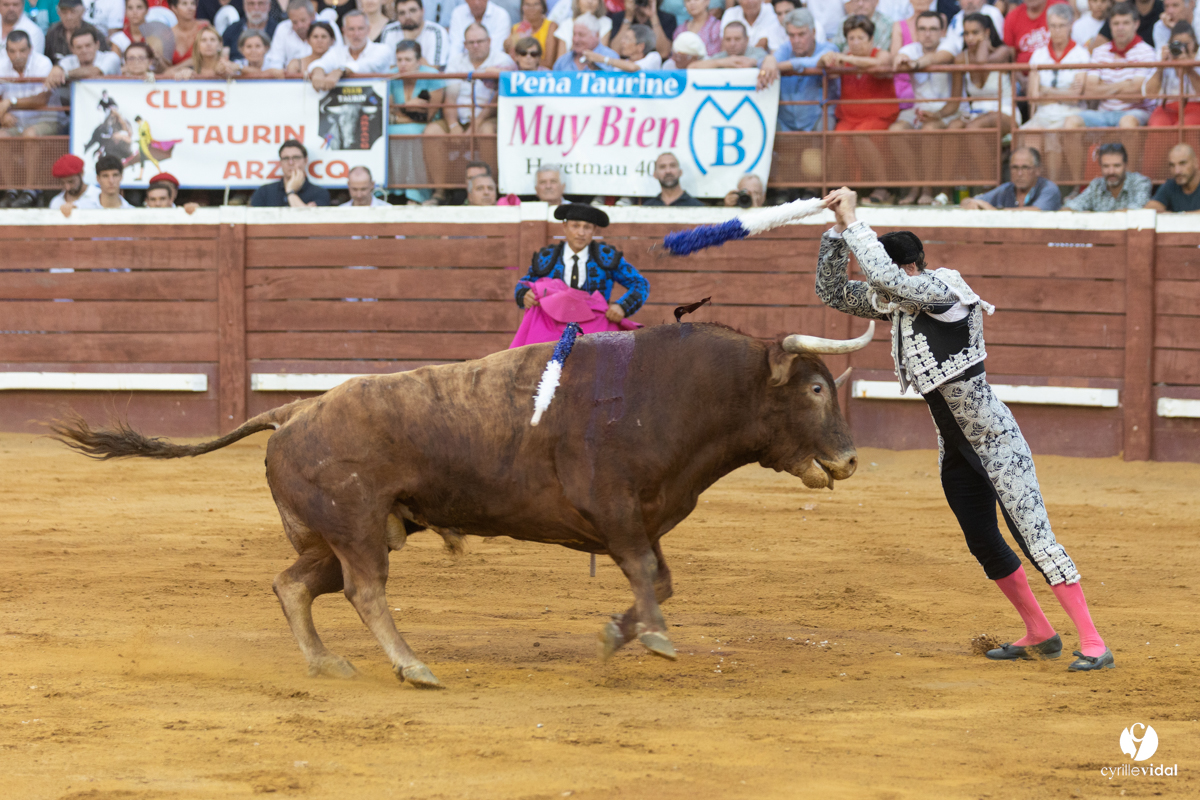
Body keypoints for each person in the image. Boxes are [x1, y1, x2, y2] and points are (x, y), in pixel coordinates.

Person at [815, 185, 1115, 672]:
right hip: (955, 448)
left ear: (909, 267)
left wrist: (854, 222)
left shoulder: (943, 289)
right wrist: (835, 232)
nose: (881, 288)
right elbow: (832, 291)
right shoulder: (899, 302)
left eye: (890, 276)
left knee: (1035, 538)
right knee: (983, 540)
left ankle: (1094, 641)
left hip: (997, 442)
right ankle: (1040, 631)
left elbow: (883, 277)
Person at [514, 201, 649, 326]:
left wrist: (623, 306)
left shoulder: (607, 257)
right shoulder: (547, 257)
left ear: (594, 230)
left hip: (594, 330)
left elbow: (641, 284)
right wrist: (525, 294)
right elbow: (522, 285)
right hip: (552, 329)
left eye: (587, 227)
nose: (581, 233)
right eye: (575, 226)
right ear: (565, 226)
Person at [890, 10, 955, 205]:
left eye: (933, 29)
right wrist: (900, 59)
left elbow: (940, 57)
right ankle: (915, 186)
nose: (928, 33)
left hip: (948, 111)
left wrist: (916, 64)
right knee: (895, 131)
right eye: (923, 29)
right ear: (916, 32)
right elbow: (899, 57)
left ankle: (927, 188)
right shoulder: (911, 48)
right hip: (918, 110)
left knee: (929, 131)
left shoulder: (949, 44)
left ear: (942, 31)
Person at [1064, 3, 1155, 129]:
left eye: (1126, 23)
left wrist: (1104, 87)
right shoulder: (1099, 51)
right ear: (1110, 25)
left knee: (1127, 122)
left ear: (1136, 24)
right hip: (1103, 113)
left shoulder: (1146, 51)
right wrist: (1123, 84)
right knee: (1072, 121)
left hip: (1134, 112)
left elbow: (1136, 95)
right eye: (1116, 23)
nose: (1120, 28)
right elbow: (1090, 91)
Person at [758, 9, 840, 135]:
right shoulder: (786, 48)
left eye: (801, 34)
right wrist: (769, 60)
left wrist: (779, 65)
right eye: (791, 35)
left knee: (823, 137)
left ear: (813, 33)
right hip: (786, 123)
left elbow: (815, 61)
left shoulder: (828, 48)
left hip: (817, 120)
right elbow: (765, 64)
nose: (796, 40)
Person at [388, 38, 446, 204]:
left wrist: (399, 113)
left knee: (411, 132)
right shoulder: (392, 76)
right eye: (399, 60)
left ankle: (417, 194)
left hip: (431, 123)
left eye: (408, 60)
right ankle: (394, 191)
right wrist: (408, 106)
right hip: (402, 123)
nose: (403, 64)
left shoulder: (431, 75)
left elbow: (427, 116)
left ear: (419, 61)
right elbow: (389, 111)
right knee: (389, 132)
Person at [444, 23, 515, 134]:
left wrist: (476, 124)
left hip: (488, 118)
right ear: (465, 45)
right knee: (433, 131)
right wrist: (453, 125)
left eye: (480, 41)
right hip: (458, 118)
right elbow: (450, 97)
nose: (475, 46)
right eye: (471, 42)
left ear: (489, 41)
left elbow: (497, 99)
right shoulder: (455, 61)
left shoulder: (502, 60)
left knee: (487, 130)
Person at [309, 10, 395, 89]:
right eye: (351, 29)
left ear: (368, 30)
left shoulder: (382, 49)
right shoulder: (337, 52)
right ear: (344, 31)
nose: (356, 34)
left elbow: (367, 65)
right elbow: (321, 63)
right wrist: (318, 71)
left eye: (360, 28)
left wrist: (340, 71)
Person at [961, 146, 1063, 210]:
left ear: (1038, 170)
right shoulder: (1006, 188)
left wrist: (994, 212)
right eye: (1015, 167)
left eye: (1025, 167)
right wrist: (971, 203)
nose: (1019, 173)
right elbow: (968, 201)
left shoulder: (1048, 188)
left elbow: (1035, 212)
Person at [0, 30, 58, 138]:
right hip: (14, 122)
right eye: (12, 51)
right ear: (6, 51)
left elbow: (41, 100)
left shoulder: (43, 63)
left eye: (22, 50)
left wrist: (10, 102)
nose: (17, 56)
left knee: (30, 135)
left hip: (44, 120)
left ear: (30, 49)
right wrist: (2, 115)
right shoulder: (1, 65)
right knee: (1, 136)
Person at [1143, 20, 1200, 125]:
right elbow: (1149, 93)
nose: (1182, 48)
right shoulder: (1164, 56)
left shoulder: (1198, 58)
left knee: (1187, 126)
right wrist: (1161, 67)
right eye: (1178, 44)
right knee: (1158, 126)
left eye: (1186, 44)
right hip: (1167, 107)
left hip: (1196, 105)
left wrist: (1189, 69)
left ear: (1194, 42)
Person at [1064, 142, 1151, 210]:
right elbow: (1072, 206)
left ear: (1126, 165)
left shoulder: (1140, 182)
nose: (1111, 171)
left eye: (1117, 166)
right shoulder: (1096, 185)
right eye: (1106, 166)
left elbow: (1141, 209)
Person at [266, 0, 344, 71]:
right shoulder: (283, 28)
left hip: (326, 76)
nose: (299, 26)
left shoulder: (329, 25)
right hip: (291, 80)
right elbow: (275, 62)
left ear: (313, 16)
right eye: (294, 22)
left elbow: (339, 57)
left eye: (303, 20)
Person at [250, 139, 332, 206]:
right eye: (286, 158)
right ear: (280, 163)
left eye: (296, 157)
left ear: (305, 160)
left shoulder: (319, 193)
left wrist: (290, 192)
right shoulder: (264, 192)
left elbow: (307, 221)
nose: (291, 163)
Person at [45, 28, 122, 91]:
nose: (84, 50)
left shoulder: (111, 57)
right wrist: (57, 69)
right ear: (72, 49)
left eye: (88, 46)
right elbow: (58, 69)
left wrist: (64, 74)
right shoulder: (67, 61)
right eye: (79, 47)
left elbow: (96, 72)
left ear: (97, 45)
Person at [109, 0, 175, 71]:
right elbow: (115, 69)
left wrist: (158, 58)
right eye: (130, 8)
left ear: (147, 11)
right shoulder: (118, 39)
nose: (135, 12)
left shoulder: (157, 36)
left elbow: (167, 69)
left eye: (139, 7)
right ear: (125, 12)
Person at [381, 0, 449, 69]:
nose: (407, 16)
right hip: (397, 79)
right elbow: (388, 68)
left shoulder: (436, 32)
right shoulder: (389, 31)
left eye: (412, 10)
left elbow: (434, 70)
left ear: (422, 11)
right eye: (402, 13)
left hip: (427, 79)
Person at [45, 0, 110, 66]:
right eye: (64, 12)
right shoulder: (52, 34)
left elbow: (105, 62)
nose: (68, 17)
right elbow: (46, 61)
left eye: (73, 12)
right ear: (59, 13)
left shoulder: (95, 33)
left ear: (82, 12)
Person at [609, 0, 675, 60]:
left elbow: (664, 53)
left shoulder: (667, 19)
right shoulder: (619, 18)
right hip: (625, 67)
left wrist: (653, 16)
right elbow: (615, 52)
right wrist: (628, 17)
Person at [1145, 142, 1200, 211]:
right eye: (1172, 165)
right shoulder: (1170, 186)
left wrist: (1177, 216)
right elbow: (1150, 209)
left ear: (1196, 163)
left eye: (1182, 163)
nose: (1177, 171)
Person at [553, 14, 618, 69]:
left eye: (581, 35)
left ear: (596, 35)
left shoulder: (611, 57)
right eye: (574, 34)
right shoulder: (562, 61)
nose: (576, 39)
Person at [690, 20, 767, 67]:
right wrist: (723, 62)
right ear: (723, 40)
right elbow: (693, 67)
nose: (732, 44)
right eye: (728, 39)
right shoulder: (721, 56)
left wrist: (753, 62)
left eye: (737, 39)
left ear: (746, 40)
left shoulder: (759, 53)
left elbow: (745, 63)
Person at [1092, 0, 1163, 49]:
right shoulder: (1122, 8)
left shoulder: (1166, 8)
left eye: (1126, 23)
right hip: (1122, 62)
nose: (1120, 27)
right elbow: (1097, 46)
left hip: (1156, 63)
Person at [721, 0, 787, 52]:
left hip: (762, 63)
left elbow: (762, 45)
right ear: (739, 1)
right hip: (732, 62)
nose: (749, 2)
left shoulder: (771, 10)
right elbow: (724, 44)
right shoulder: (730, 13)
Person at [170, 24, 234, 76]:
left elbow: (241, 69)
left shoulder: (227, 66)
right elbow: (167, 73)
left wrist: (234, 70)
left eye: (212, 40)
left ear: (220, 45)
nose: (208, 44)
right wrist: (179, 74)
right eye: (203, 40)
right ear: (197, 46)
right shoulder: (191, 67)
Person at [505, 0, 554, 66]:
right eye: (527, 5)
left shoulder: (551, 26)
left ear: (543, 7)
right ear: (522, 7)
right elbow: (512, 57)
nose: (531, 8)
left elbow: (549, 62)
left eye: (536, 4)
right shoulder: (515, 28)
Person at [169, 0, 211, 66]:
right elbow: (165, 66)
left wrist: (178, 67)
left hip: (201, 74)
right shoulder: (169, 33)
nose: (190, 7)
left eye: (193, 4)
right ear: (174, 8)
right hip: (176, 76)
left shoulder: (204, 27)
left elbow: (212, 56)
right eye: (184, 4)